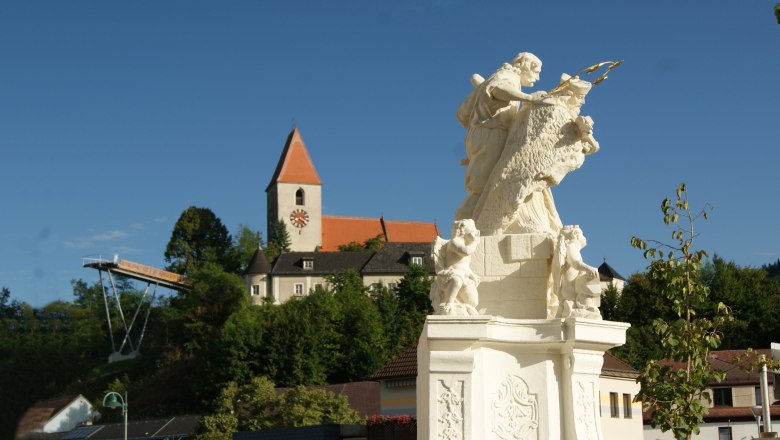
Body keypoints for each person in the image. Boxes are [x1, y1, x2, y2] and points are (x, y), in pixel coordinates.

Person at [455, 52, 548, 220]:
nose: (538, 77)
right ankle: (465, 223)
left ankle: (474, 224)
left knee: (490, 182)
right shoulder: (508, 76)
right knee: (483, 184)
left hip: (486, 132)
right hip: (491, 132)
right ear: (525, 66)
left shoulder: (507, 77)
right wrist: (529, 98)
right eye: (536, 71)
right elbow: (498, 89)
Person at [431, 220, 481, 316]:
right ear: (463, 229)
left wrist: (471, 274)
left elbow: (463, 264)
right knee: (457, 280)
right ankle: (449, 303)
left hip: (465, 275)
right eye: (473, 229)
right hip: (451, 275)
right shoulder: (454, 242)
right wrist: (475, 242)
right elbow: (467, 251)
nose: (475, 232)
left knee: (473, 302)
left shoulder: (466, 244)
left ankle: (461, 307)